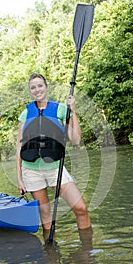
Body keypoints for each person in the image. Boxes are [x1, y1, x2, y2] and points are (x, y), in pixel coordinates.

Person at [16, 73, 91, 240]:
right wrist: (19, 178)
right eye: (33, 87)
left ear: (46, 87)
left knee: (81, 208)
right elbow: (19, 147)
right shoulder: (25, 114)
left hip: (55, 168)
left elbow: (76, 139)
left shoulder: (60, 109)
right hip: (31, 171)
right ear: (30, 91)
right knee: (46, 217)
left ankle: (87, 250)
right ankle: (51, 254)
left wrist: (73, 111)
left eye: (40, 86)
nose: (37, 90)